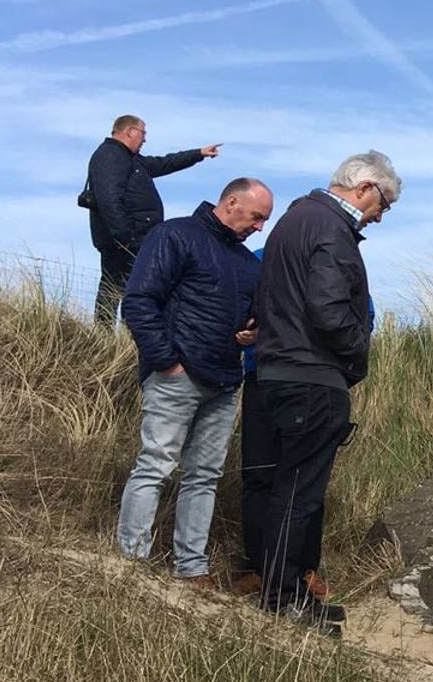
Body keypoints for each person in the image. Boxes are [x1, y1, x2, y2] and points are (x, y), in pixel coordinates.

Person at [248, 151, 401, 630]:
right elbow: (329, 309)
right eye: (385, 204)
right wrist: (357, 357)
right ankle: (284, 597)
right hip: (311, 375)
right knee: (300, 492)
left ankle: (284, 590)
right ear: (366, 189)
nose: (380, 216)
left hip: (275, 371)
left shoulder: (294, 221)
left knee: (282, 487)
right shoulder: (332, 230)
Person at [116, 178, 271, 588]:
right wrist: (167, 361)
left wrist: (252, 332)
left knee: (204, 475)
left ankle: (192, 569)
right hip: (176, 376)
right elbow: (137, 301)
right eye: (256, 217)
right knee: (155, 465)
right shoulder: (174, 234)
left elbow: (252, 317)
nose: (259, 228)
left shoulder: (249, 264)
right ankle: (130, 566)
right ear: (232, 202)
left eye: (264, 221)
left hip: (223, 381)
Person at [84, 115, 220, 324]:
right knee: (118, 287)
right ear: (130, 131)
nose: (145, 139)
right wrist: (125, 237)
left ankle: (127, 335)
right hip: (124, 241)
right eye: (143, 133)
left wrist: (198, 154)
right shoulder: (111, 156)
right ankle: (108, 334)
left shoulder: (131, 159)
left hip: (135, 238)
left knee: (130, 287)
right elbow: (109, 199)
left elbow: (163, 163)